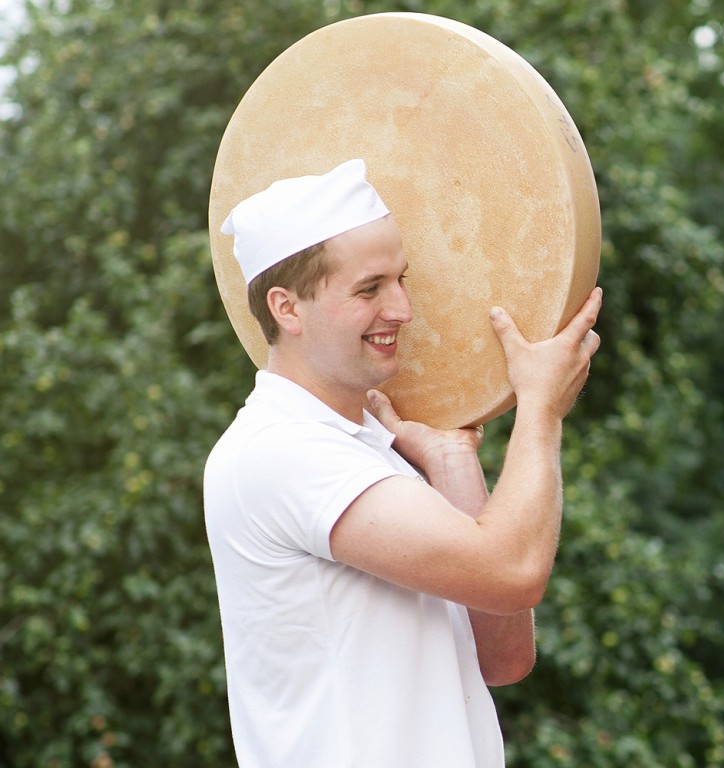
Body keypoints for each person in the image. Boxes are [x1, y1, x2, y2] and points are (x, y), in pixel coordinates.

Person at [204, 158, 602, 768]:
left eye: (400, 279)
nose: (402, 309)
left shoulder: (358, 447)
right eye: (369, 289)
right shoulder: (281, 452)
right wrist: (540, 409)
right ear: (287, 309)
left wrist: (450, 461)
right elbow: (514, 572)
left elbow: (503, 653)